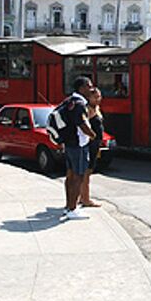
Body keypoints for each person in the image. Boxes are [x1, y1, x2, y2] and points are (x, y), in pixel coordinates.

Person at [62, 76, 96, 220]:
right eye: (89, 86)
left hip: (69, 144)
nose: (91, 88)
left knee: (70, 175)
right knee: (78, 176)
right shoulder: (80, 104)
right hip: (79, 145)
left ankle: (68, 206)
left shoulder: (69, 101)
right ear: (81, 88)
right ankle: (72, 209)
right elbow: (81, 124)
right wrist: (93, 135)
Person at [79, 88, 103, 208]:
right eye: (96, 97)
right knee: (86, 172)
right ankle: (86, 199)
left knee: (87, 171)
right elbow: (84, 126)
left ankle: (81, 197)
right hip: (90, 144)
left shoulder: (96, 109)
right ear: (89, 98)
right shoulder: (88, 110)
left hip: (95, 144)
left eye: (99, 96)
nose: (98, 99)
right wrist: (93, 136)